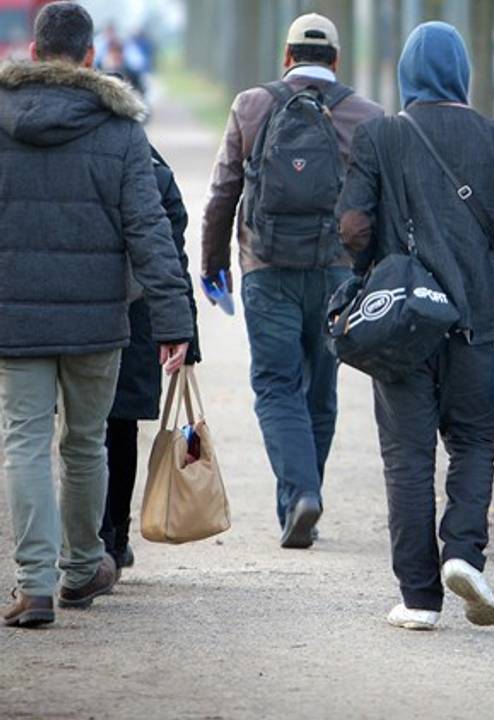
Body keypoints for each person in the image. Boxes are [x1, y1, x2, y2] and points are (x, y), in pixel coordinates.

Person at [338, 21, 494, 631]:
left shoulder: (380, 135)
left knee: (407, 456)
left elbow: (353, 226)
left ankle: (418, 597)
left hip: (402, 325)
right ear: (462, 74)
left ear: (408, 75)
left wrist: (369, 272)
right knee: (474, 441)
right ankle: (463, 551)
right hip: (474, 321)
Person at [0, 2, 193, 628]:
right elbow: (149, 229)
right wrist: (174, 321)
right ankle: (82, 568)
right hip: (97, 323)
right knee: (85, 443)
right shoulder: (120, 130)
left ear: (34, 52)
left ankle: (33, 586)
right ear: (90, 56)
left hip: (16, 318)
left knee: (25, 443)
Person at [201, 13, 382, 549]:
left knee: (277, 386)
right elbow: (382, 204)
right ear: (336, 60)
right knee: (321, 391)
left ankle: (300, 495)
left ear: (286, 57)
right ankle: (306, 501)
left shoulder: (251, 105)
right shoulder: (367, 117)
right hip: (336, 274)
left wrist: (213, 263)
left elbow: (223, 191)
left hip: (267, 269)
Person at [100, 148, 203, 572]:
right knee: (120, 426)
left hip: (67, 316)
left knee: (77, 430)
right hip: (136, 317)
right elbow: (171, 259)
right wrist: (184, 331)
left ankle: (87, 538)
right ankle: (114, 539)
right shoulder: (152, 172)